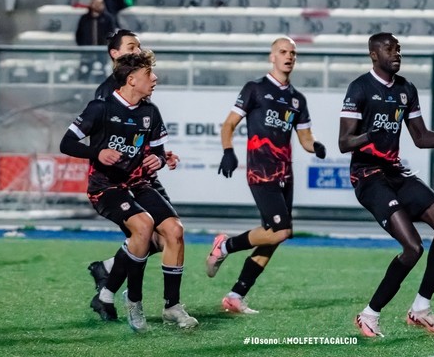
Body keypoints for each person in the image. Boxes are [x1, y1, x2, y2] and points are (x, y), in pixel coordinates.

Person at [339, 33, 434, 338]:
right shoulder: (360, 88)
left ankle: (420, 309)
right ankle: (369, 315)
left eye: (398, 49)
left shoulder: (406, 89)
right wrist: (369, 135)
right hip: (368, 176)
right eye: (389, 49)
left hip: (395, 173)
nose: (396, 53)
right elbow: (344, 143)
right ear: (373, 54)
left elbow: (420, 137)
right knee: (413, 247)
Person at [60, 51, 198, 331]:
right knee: (144, 226)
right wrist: (97, 152)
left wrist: (159, 159)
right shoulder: (100, 108)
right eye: (150, 74)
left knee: (174, 231)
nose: (155, 79)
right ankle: (134, 301)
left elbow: (158, 151)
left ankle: (172, 306)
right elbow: (66, 143)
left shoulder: (150, 112)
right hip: (105, 187)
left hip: (138, 184)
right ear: (132, 79)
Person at [206, 37, 327, 314]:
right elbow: (229, 124)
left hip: (286, 174)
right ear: (272, 57)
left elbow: (305, 136)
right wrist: (228, 151)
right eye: (283, 52)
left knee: (274, 237)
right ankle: (224, 245)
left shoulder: (298, 99)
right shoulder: (255, 89)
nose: (288, 57)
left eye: (293, 53)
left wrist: (315, 145)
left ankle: (236, 296)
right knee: (280, 231)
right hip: (261, 172)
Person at [88, 30, 183, 312]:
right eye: (131, 47)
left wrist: (161, 156)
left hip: (143, 178)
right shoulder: (107, 95)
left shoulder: (139, 94)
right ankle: (119, 294)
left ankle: (106, 279)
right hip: (121, 183)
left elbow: (138, 138)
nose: (137, 51)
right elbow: (106, 146)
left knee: (164, 235)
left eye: (139, 46)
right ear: (114, 54)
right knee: (148, 235)